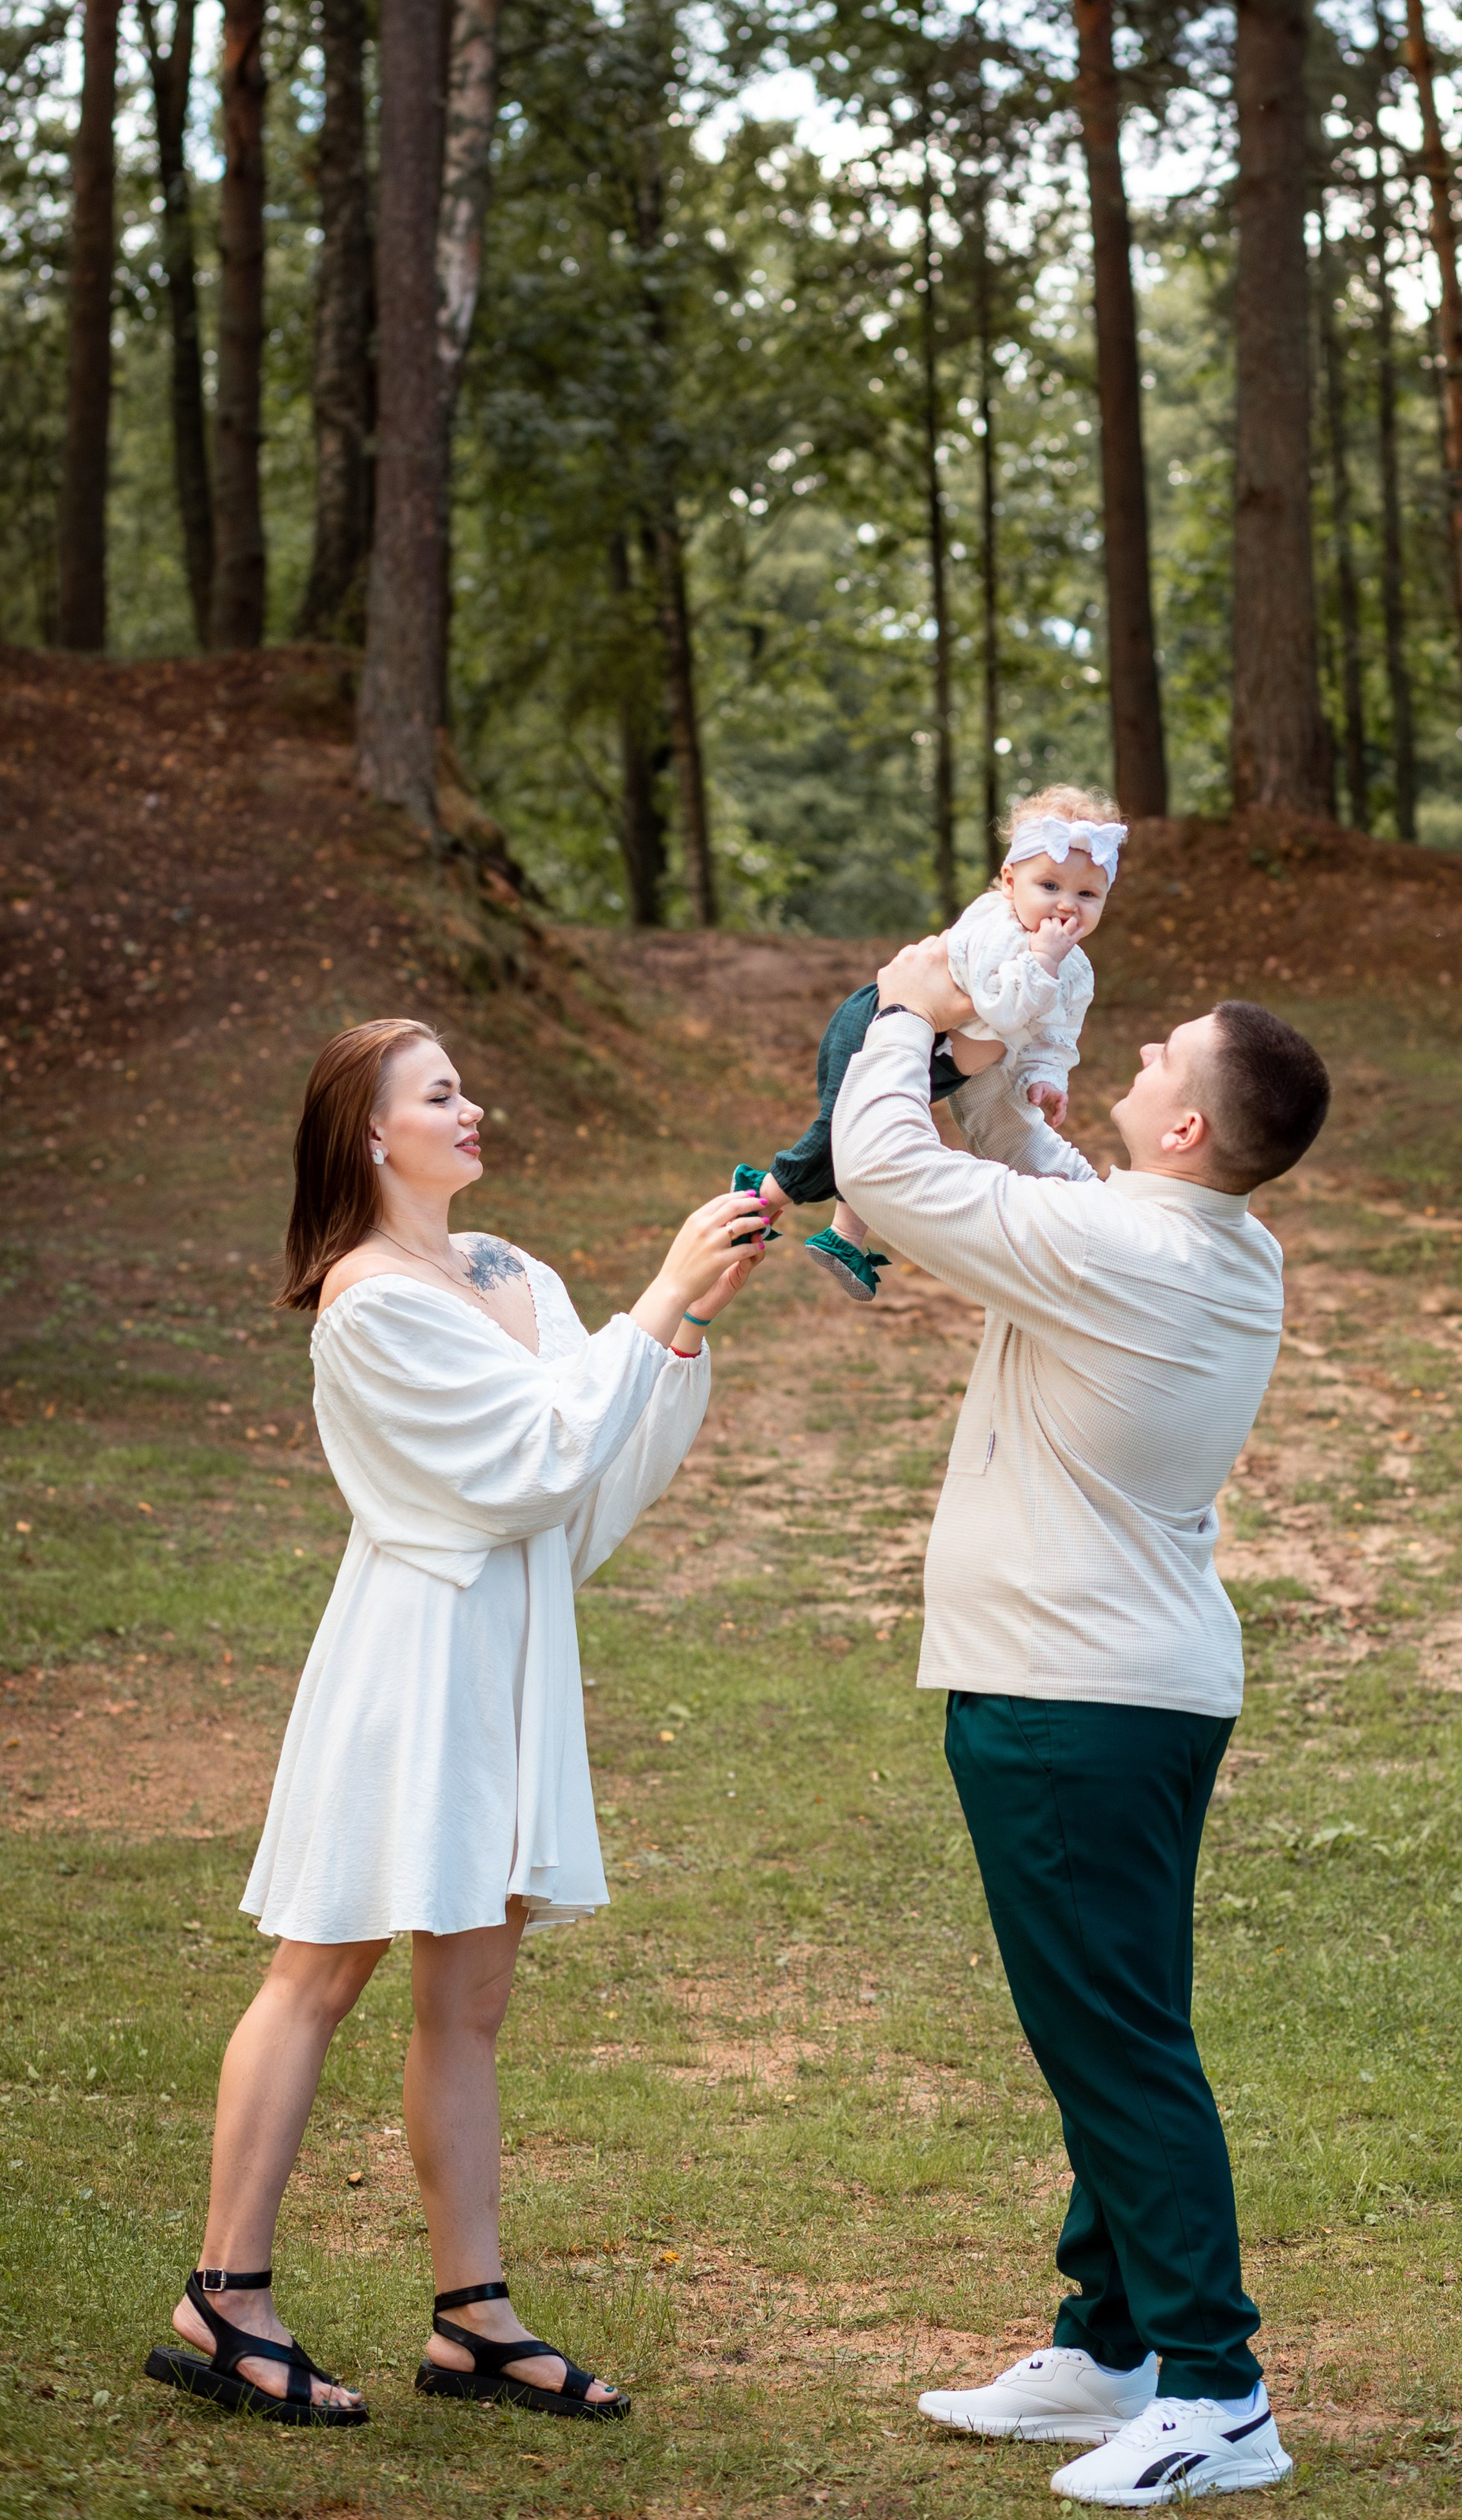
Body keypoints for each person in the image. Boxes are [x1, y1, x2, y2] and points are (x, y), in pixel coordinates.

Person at [144, 1017, 766, 2430]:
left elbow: (592, 1473)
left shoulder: (509, 1270)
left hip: (510, 1649)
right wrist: (659, 1288)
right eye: (441, 1093)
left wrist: (684, 1323)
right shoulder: (368, 1304)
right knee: (321, 1970)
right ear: (373, 1132)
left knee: (471, 1995)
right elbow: (529, 1458)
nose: (472, 1106)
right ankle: (224, 2297)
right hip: (413, 1658)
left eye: (464, 1086)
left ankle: (472, 2315)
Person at [830, 952, 1332, 2507]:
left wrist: (903, 1009)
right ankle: (1111, 2345)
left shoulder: (1130, 1249)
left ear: (1185, 1130)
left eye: (1165, 1052)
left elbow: (881, 1171)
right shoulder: (1206, 1238)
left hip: (1069, 1702)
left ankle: (1216, 2390)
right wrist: (1007, 1092)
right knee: (1118, 2024)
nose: (1142, 1052)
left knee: (1114, 2043)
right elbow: (1054, 1193)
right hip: (1133, 1692)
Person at [734, 784, 1124, 1301]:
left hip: (941, 1058)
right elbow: (1002, 1008)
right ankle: (756, 1197)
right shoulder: (998, 928)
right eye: (1049, 886)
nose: (1067, 906)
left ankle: (842, 1235)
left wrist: (1045, 1076)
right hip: (882, 1024)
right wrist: (1043, 961)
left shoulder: (1073, 969)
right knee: (841, 1134)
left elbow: (1054, 1032)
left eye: (1087, 895)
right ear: (1011, 882)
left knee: (877, 1134)